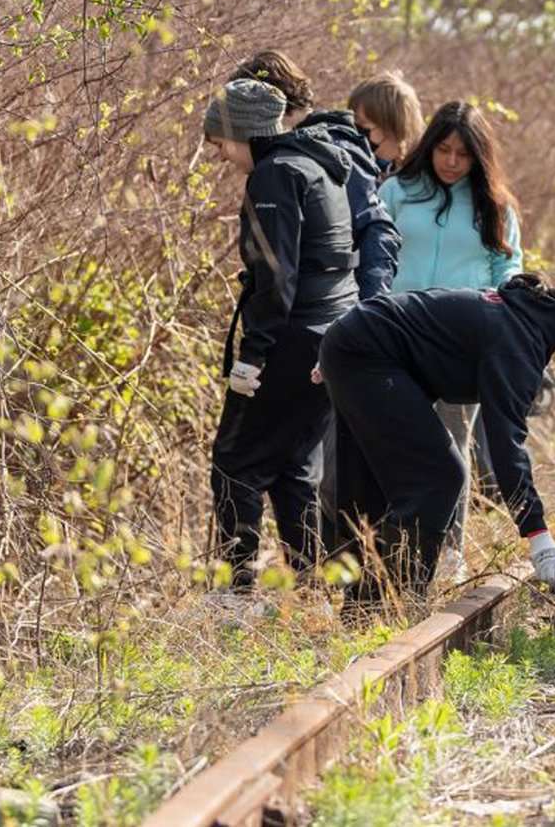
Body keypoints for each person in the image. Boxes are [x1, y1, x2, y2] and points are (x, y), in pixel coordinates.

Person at [319, 271, 555, 597]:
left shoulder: (525, 321)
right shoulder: (519, 343)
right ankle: (398, 600)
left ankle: (368, 607)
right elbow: (507, 445)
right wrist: (537, 535)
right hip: (364, 350)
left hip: (357, 342)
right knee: (440, 475)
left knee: (380, 485)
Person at [204, 78, 359, 590]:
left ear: (243, 133)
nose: (221, 153)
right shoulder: (316, 164)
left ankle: (235, 594)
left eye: (221, 141)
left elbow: (276, 276)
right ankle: (310, 589)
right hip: (333, 336)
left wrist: (253, 354)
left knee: (235, 462)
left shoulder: (274, 177)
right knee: (294, 466)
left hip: (292, 340)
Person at [380, 101, 524, 579]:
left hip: (465, 343)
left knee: (453, 446)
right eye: (443, 149)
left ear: (477, 157)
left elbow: (510, 269)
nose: (451, 161)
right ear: (429, 146)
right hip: (399, 336)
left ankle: (449, 553)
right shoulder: (397, 192)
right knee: (395, 442)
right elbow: (372, 256)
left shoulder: (494, 205)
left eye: (463, 154)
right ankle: (392, 552)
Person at [232, 50, 401, 301]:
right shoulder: (288, 152)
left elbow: (374, 229)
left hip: (337, 317)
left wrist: (370, 314)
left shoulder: (333, 149)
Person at [348, 70, 425, 169]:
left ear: (393, 130)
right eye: (352, 119)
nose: (351, 128)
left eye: (362, 124)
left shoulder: (407, 179)